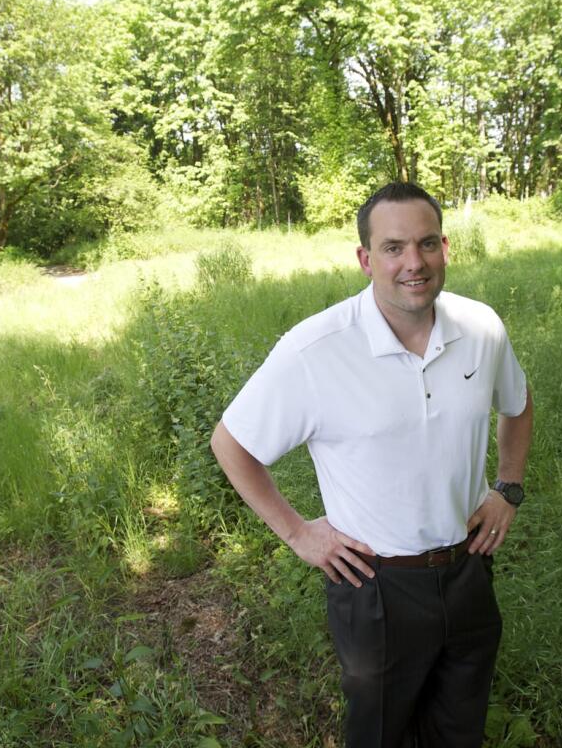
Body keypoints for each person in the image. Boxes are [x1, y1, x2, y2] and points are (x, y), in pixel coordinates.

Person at [210, 181, 534, 748]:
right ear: (365, 259)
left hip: (468, 570)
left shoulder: (481, 329)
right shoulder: (315, 350)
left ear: (445, 248)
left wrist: (508, 487)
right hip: (376, 585)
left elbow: (518, 402)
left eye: (428, 244)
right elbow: (231, 444)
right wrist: (298, 534)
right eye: (394, 247)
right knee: (378, 731)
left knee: (462, 726)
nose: (414, 262)